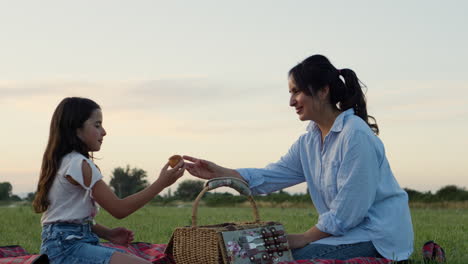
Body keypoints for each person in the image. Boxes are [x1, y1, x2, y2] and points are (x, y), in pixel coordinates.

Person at [183, 54, 414, 261]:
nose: (291, 101)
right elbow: (270, 176)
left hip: (378, 237)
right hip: (343, 235)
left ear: (323, 91)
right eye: (291, 93)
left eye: (297, 91)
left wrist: (304, 238)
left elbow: (347, 212)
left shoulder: (355, 135)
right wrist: (221, 172)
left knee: (283, 258)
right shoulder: (309, 142)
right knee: (259, 255)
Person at [32, 97, 185, 264]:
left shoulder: (62, 161)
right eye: (97, 125)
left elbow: (69, 219)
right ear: (76, 129)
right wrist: (161, 183)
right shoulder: (79, 164)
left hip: (61, 244)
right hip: (67, 248)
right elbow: (119, 209)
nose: (104, 132)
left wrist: (108, 234)